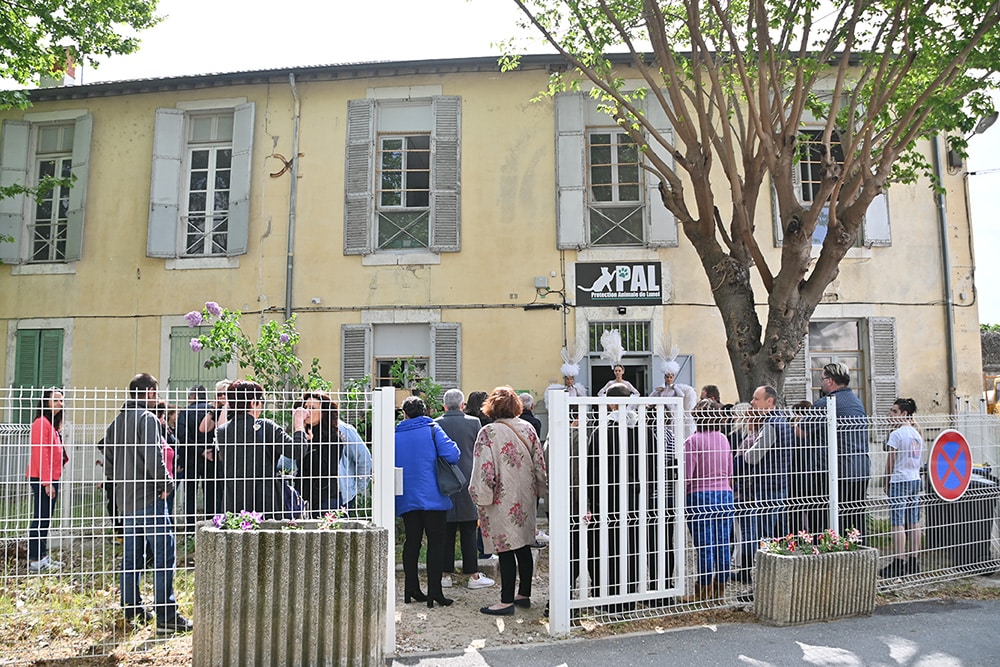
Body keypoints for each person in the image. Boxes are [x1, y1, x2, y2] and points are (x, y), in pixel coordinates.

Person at [103, 373, 192, 634]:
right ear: (150, 393)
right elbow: (155, 455)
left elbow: (108, 461)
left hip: (126, 501)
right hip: (150, 498)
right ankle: (167, 614)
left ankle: (131, 608)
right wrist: (168, 484)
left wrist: (120, 486)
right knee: (165, 554)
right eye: (156, 392)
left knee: (132, 556)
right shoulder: (148, 419)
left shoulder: (116, 422)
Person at [469, 386, 548, 616]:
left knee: (504, 548)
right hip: (526, 495)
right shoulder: (529, 428)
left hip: (500, 497)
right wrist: (540, 491)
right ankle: (523, 594)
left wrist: (479, 497)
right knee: (524, 544)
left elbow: (484, 469)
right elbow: (539, 464)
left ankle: (505, 601)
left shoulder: (489, 432)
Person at [395, 396, 461, 608]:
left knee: (412, 542)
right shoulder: (433, 429)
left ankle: (411, 589)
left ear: (404, 413)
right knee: (436, 543)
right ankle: (435, 592)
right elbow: (452, 455)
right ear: (425, 412)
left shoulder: (394, 434)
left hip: (406, 496)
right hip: (433, 496)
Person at [216, 380, 309, 519]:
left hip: (234, 501)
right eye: (262, 401)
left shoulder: (223, 431)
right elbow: (296, 450)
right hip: (266, 502)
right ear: (253, 402)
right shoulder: (266, 426)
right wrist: (299, 425)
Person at [436, 389, 495, 590]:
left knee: (446, 531)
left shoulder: (436, 424)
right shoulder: (474, 423)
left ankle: (445, 575)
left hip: (445, 482)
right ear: (462, 405)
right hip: (469, 480)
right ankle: (472, 574)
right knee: (470, 530)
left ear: (444, 405)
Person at [809, 362, 870, 542]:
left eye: (822, 379)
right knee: (855, 520)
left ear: (831, 381)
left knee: (826, 518)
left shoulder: (826, 404)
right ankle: (859, 554)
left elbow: (801, 431)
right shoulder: (857, 403)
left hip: (835, 472)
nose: (821, 383)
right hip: (860, 470)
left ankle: (829, 554)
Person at [683, 399, 734, 602]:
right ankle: (719, 591)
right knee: (723, 543)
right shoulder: (724, 438)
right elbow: (730, 471)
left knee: (705, 546)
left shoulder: (692, 441)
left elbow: (687, 476)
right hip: (725, 495)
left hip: (700, 496)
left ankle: (702, 591)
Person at [880, 398, 924, 578]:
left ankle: (899, 560)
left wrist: (886, 480)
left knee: (897, 522)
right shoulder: (917, 433)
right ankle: (914, 560)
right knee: (914, 521)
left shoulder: (897, 435)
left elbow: (891, 461)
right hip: (914, 478)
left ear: (904, 414)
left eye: (894, 411)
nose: (890, 415)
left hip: (899, 479)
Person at [26, 388, 66, 572]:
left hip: (50, 477)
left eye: (61, 400)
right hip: (43, 478)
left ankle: (42, 556)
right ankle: (35, 558)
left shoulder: (52, 424)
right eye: (55, 400)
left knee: (45, 518)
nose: (59, 403)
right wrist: (47, 482)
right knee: (40, 518)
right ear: (46, 402)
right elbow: (40, 453)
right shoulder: (41, 423)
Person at [174, 385, 214, 534]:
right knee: (210, 493)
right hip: (211, 458)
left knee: (190, 494)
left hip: (191, 458)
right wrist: (207, 451)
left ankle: (190, 529)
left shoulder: (186, 412)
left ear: (192, 397)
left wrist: (199, 451)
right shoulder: (212, 410)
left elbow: (182, 436)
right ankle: (210, 526)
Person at [299, 391, 342, 516]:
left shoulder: (333, 438)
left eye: (312, 408)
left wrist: (309, 443)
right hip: (304, 496)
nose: (307, 411)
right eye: (305, 407)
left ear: (323, 412)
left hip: (326, 497)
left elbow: (323, 468)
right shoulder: (303, 434)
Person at [337, 420, 373, 511]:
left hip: (340, 495)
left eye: (312, 408)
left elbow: (364, 458)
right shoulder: (301, 428)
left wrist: (357, 488)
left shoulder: (343, 430)